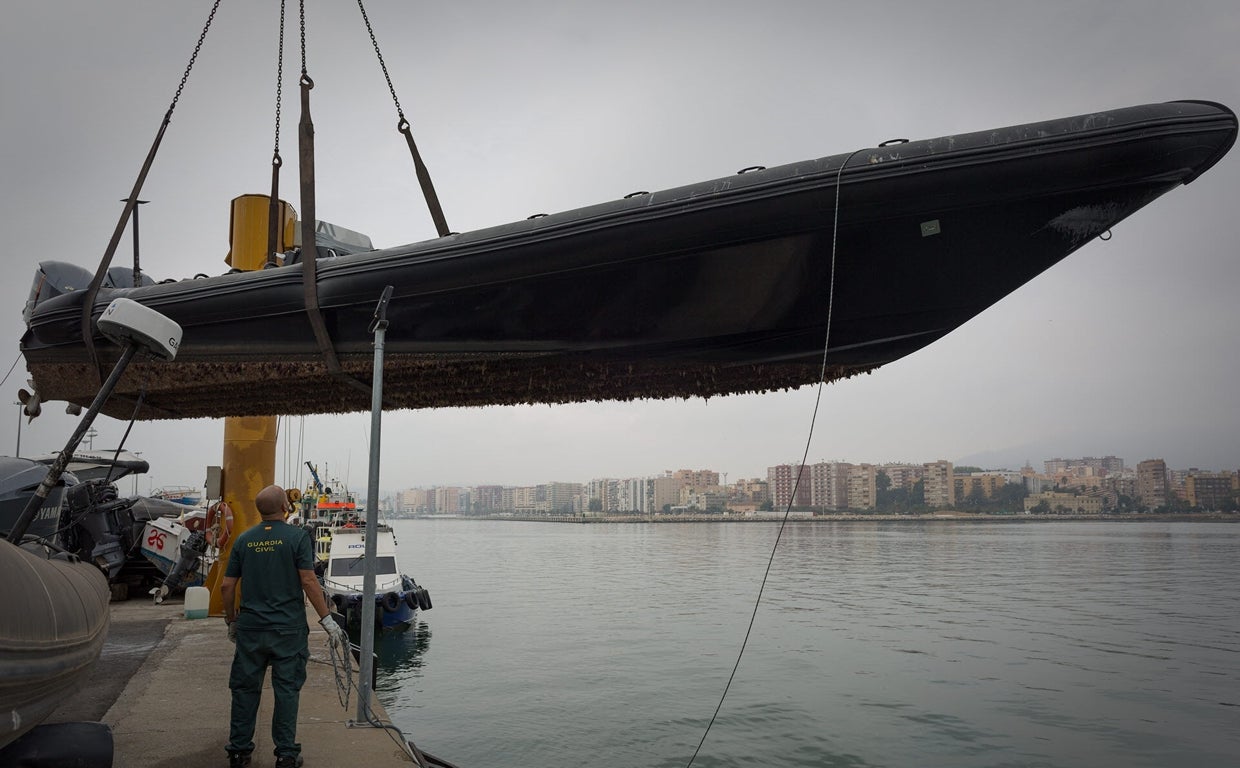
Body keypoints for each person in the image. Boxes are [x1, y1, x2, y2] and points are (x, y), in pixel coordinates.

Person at [221, 484, 349, 768]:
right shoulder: (297, 538)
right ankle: (286, 755)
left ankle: (240, 752)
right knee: (286, 690)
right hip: (288, 631)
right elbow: (308, 580)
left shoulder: (243, 540)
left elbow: (227, 586)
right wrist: (327, 619)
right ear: (285, 508)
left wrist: (232, 621)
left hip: (251, 630)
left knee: (244, 690)